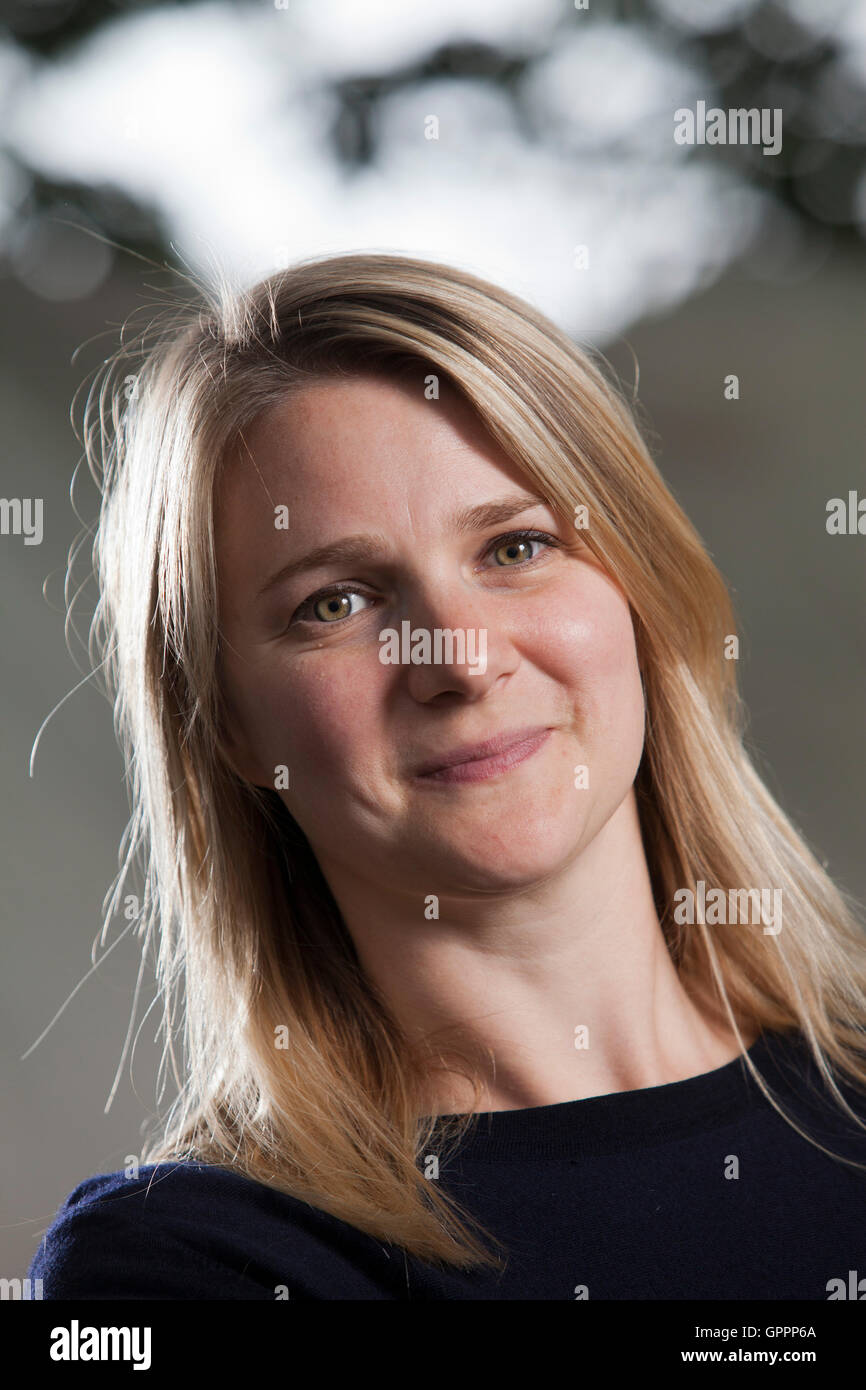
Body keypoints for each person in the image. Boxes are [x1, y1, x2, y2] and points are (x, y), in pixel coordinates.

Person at [29, 252, 866, 1299]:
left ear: (639, 590)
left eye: (515, 547)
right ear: (226, 725)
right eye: (335, 602)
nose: (462, 661)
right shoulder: (185, 1267)